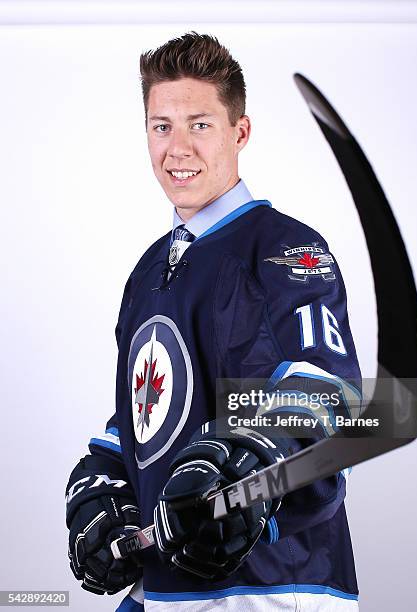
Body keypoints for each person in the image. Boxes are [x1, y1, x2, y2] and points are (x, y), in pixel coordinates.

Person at [65, 31, 362, 611]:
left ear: (239, 132)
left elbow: (331, 402)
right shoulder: (149, 269)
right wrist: (103, 492)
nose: (177, 148)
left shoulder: (286, 250)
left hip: (274, 588)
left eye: (199, 124)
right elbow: (146, 422)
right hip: (167, 589)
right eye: (161, 126)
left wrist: (247, 472)